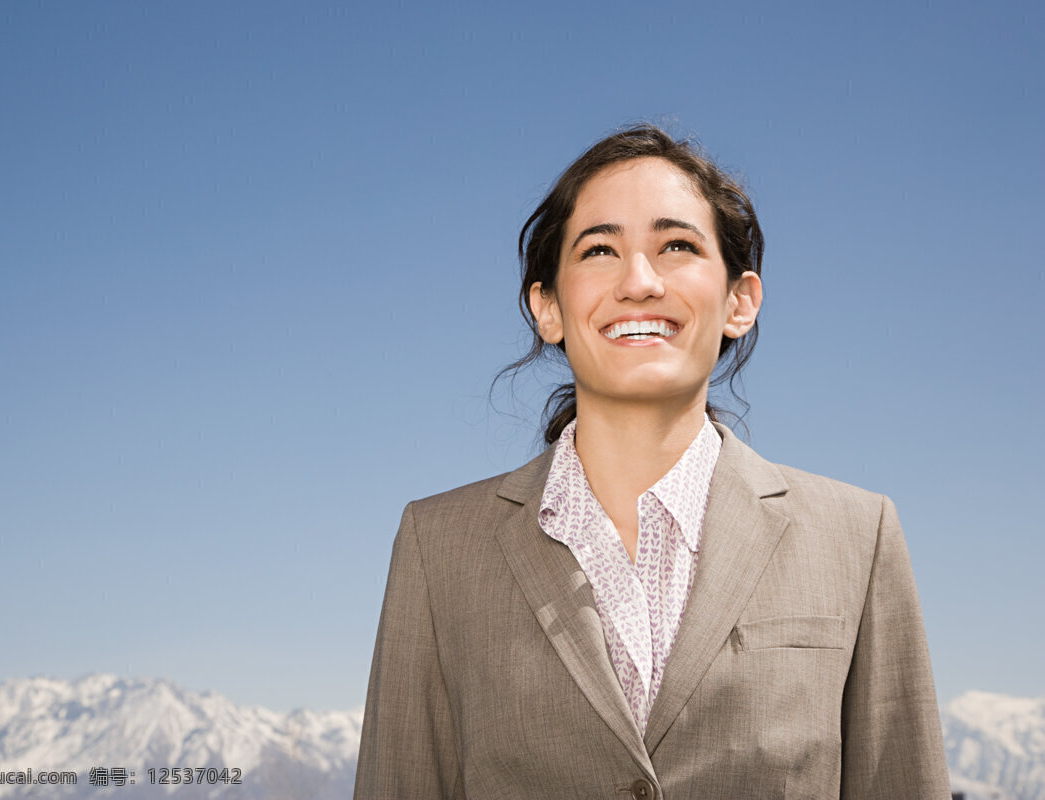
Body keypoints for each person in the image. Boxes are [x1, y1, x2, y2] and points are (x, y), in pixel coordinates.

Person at [353, 124, 950, 800]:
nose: (639, 282)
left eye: (677, 246)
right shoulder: (439, 546)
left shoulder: (857, 537)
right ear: (547, 306)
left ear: (739, 301)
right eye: (600, 249)